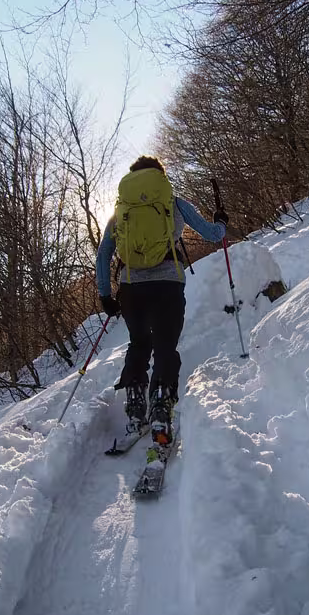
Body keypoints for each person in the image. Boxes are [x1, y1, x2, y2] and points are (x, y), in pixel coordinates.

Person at [96, 156, 227, 438]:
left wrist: (105, 295)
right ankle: (161, 404)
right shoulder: (175, 204)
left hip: (131, 288)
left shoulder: (121, 211)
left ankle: (134, 404)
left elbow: (104, 253)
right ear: (161, 176)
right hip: (168, 284)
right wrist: (221, 223)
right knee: (166, 345)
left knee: (139, 342)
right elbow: (213, 235)